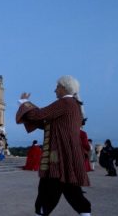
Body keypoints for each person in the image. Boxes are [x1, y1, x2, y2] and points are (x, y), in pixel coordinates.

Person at [16, 75, 91, 216]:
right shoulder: (73, 104)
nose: (54, 90)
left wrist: (24, 102)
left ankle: (42, 211)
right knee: (70, 189)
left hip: (59, 155)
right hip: (67, 154)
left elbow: (39, 115)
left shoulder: (65, 103)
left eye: (57, 87)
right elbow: (46, 122)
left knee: (49, 189)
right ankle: (85, 212)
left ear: (63, 88)